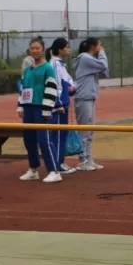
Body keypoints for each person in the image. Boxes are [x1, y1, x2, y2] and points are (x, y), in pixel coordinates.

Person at [17, 37, 61, 183]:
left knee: (44, 140)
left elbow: (51, 88)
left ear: (43, 49)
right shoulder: (28, 69)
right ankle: (33, 168)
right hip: (28, 108)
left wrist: (47, 109)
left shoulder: (48, 68)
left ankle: (54, 170)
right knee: (28, 139)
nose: (34, 51)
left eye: (37, 48)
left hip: (41, 108)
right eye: (32, 48)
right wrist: (21, 105)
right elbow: (24, 88)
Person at [73, 37, 109, 171]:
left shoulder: (90, 60)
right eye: (99, 44)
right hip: (83, 98)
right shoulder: (84, 58)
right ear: (93, 47)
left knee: (90, 130)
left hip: (90, 97)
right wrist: (102, 54)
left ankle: (89, 158)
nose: (101, 47)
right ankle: (82, 160)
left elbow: (105, 72)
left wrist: (101, 57)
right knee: (84, 130)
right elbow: (103, 65)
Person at [48, 38, 77, 174]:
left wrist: (71, 88)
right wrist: (58, 103)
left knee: (62, 135)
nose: (68, 50)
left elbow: (67, 81)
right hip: (58, 106)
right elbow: (54, 85)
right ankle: (57, 164)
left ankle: (60, 161)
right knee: (58, 135)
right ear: (59, 49)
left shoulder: (61, 64)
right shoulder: (54, 64)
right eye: (66, 47)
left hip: (64, 103)